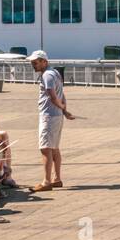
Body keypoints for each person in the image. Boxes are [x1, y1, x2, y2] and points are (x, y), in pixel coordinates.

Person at [29, 50, 75, 192]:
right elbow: (62, 94)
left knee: (45, 148)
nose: (33, 65)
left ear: (44, 61)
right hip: (56, 115)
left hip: (49, 115)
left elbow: (53, 96)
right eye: (32, 63)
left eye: (35, 62)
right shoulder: (54, 73)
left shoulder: (47, 75)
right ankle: (57, 179)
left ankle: (46, 181)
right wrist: (64, 110)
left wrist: (62, 108)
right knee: (54, 147)